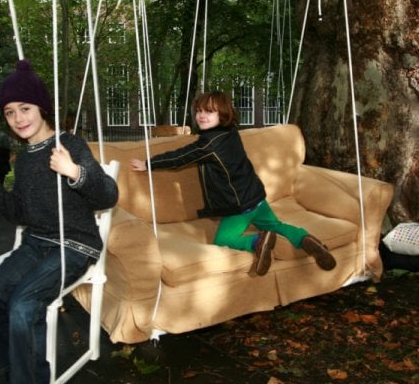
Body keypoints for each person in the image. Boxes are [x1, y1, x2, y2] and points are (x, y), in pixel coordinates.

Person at [0, 59, 119, 384]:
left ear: (42, 109)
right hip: (37, 242)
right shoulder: (24, 159)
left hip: (76, 244)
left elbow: (107, 196)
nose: (18, 119)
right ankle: (16, 378)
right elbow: (20, 213)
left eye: (25, 109)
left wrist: (74, 172)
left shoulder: (70, 144)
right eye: (10, 112)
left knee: (23, 305)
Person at [130, 91, 335, 276]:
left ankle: (258, 242)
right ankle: (305, 239)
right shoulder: (231, 133)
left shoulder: (209, 143)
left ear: (223, 115)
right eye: (199, 111)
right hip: (256, 197)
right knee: (276, 225)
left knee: (224, 240)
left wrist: (148, 164)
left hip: (239, 206)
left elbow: (181, 156)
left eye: (209, 112)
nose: (201, 115)